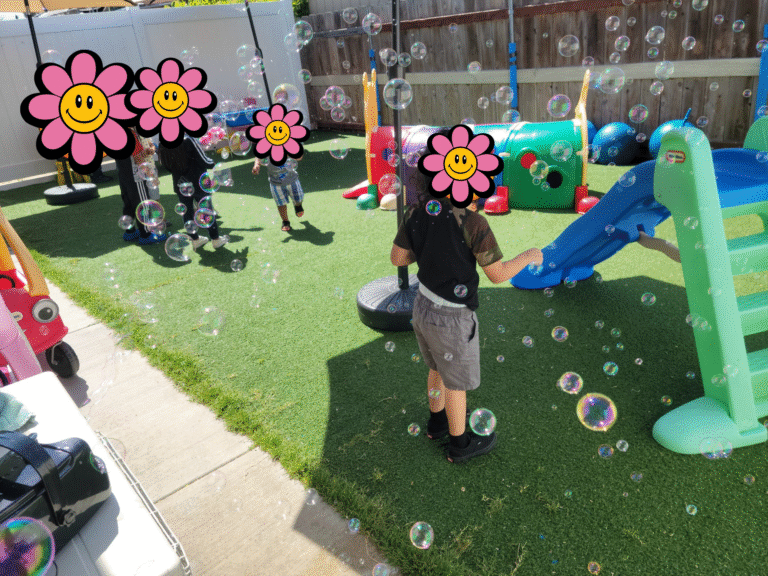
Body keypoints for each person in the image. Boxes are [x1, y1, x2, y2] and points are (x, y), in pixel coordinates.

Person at [391, 163, 543, 463]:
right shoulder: (473, 223)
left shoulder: (415, 212)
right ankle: (460, 444)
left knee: (436, 369)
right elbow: (497, 275)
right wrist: (528, 255)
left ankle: (436, 424)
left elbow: (398, 257)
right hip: (451, 318)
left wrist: (427, 249)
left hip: (422, 306)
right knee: (455, 383)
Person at [158, 135, 229, 250]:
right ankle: (215, 239)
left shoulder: (163, 143)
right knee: (206, 210)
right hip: (198, 182)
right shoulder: (188, 139)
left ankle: (195, 240)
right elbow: (204, 160)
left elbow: (167, 166)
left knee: (187, 211)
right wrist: (214, 164)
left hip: (180, 183)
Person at [117, 127, 166, 245]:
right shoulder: (131, 134)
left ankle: (130, 232)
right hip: (136, 176)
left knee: (128, 202)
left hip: (124, 175)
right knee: (142, 203)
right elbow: (138, 157)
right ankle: (146, 234)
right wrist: (148, 172)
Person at [252, 156, 305, 232]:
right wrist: (256, 164)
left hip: (292, 180)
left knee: (299, 198)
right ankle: (285, 222)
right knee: (281, 204)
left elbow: (298, 156)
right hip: (275, 183)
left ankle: (298, 205)